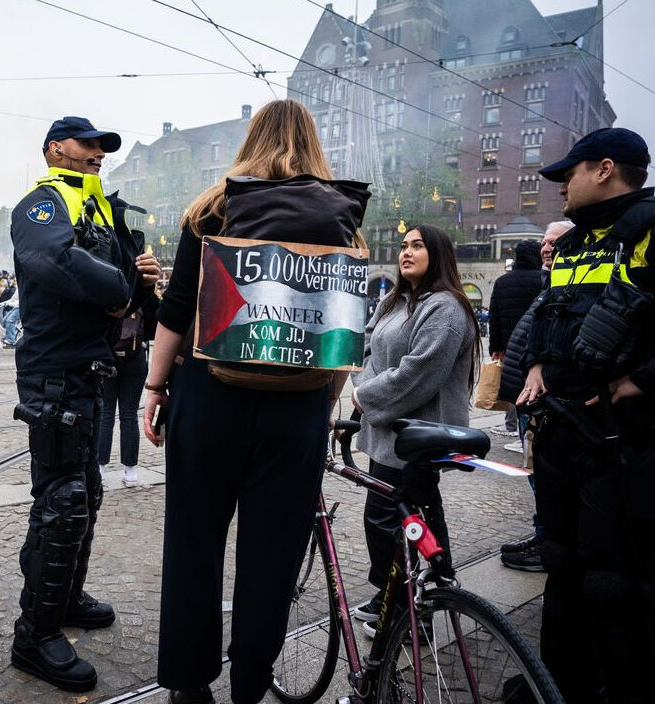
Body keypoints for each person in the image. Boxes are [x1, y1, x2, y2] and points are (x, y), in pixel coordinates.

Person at [142, 100, 370, 704]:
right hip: (295, 409)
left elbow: (176, 307)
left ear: (252, 139)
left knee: (193, 541)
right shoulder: (342, 219)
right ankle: (251, 684)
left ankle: (190, 685)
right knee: (272, 556)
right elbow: (342, 336)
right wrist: (321, 406)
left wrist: (155, 387)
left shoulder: (214, 206)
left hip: (210, 396)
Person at [9, 115, 160, 691]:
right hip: (54, 370)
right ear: (56, 149)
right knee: (64, 498)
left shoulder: (100, 210)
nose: (99, 153)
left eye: (103, 147)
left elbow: (126, 289)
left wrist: (143, 278)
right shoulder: (43, 203)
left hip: (92, 367)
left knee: (83, 492)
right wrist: (124, 291)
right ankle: (34, 635)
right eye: (88, 144)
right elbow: (56, 262)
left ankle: (64, 598)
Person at [518, 127, 655, 703]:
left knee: (612, 578)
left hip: (624, 443)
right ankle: (556, 684)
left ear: (604, 169)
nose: (559, 188)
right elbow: (555, 315)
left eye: (567, 175)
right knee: (562, 563)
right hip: (562, 433)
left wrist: (643, 381)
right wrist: (538, 365)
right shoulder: (573, 243)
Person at [350, 224, 480, 637]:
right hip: (386, 431)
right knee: (412, 514)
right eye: (404, 245)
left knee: (389, 519)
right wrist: (367, 391)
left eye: (417, 246)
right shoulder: (394, 301)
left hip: (416, 437)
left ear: (437, 253)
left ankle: (407, 612)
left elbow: (419, 373)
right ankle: (409, 591)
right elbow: (366, 346)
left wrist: (365, 397)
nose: (406, 252)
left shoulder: (445, 308)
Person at [498, 220, 572, 572]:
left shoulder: (566, 284)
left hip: (545, 400)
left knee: (543, 473)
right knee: (534, 471)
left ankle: (548, 540)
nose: (547, 247)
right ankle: (543, 533)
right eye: (544, 241)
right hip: (529, 397)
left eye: (555, 241)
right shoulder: (548, 282)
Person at [97, 290, 159, 486]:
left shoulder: (108, 287)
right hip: (136, 358)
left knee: (106, 412)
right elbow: (153, 330)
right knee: (129, 415)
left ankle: (100, 468)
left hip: (108, 356)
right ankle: (130, 471)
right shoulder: (148, 295)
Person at [487, 240, 543, 440]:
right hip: (537, 345)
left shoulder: (503, 282)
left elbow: (494, 317)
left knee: (514, 386)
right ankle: (532, 432)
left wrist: (496, 347)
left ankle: (516, 428)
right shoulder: (545, 279)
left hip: (511, 345)